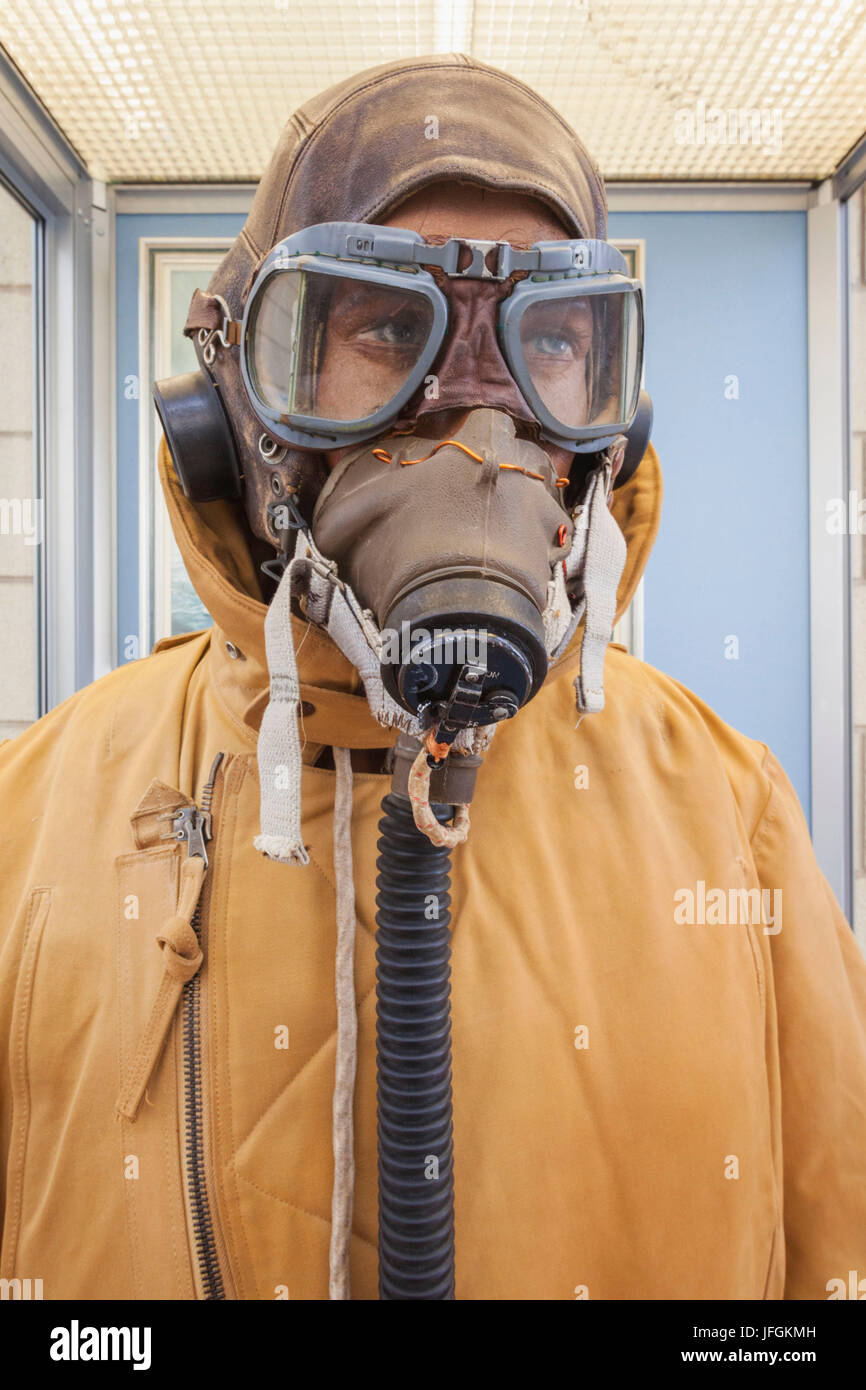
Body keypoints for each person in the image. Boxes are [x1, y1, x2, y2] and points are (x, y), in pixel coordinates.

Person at [1, 54, 864, 1303]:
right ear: (234, 408)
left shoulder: (735, 823)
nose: (478, 422)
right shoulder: (27, 823)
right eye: (383, 331)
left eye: (552, 340)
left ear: (607, 434)